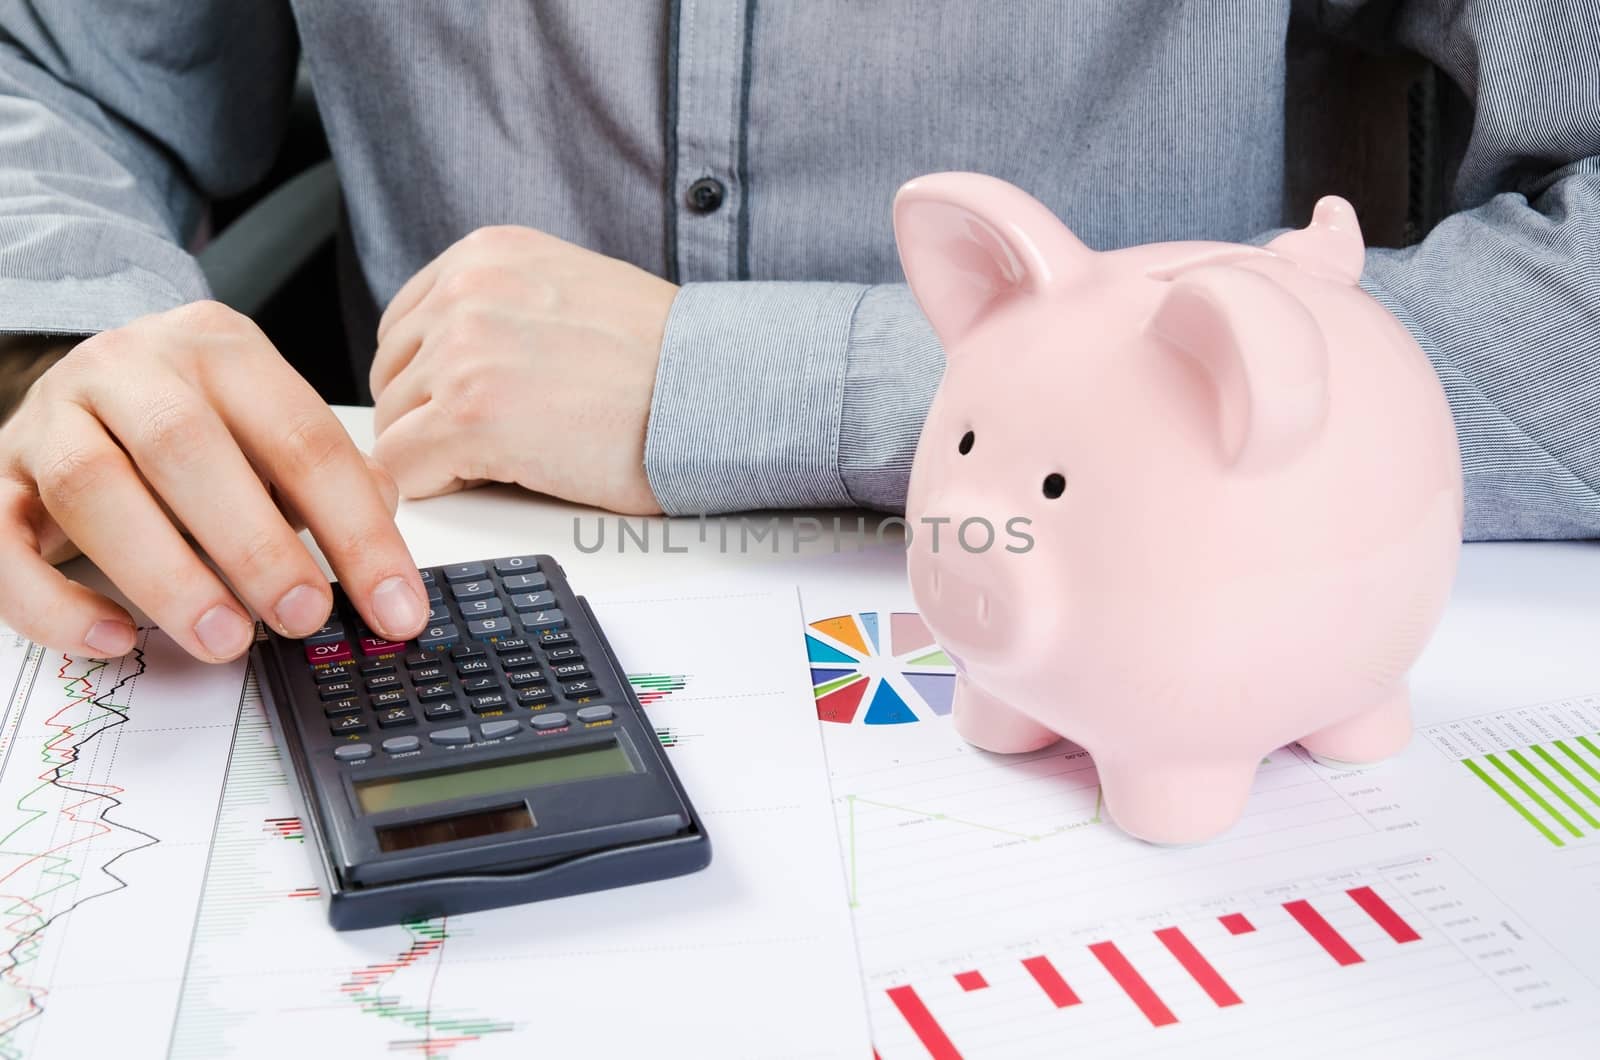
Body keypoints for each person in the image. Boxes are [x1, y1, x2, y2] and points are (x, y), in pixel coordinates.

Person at [0, 2, 1595, 665]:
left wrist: (746, 382)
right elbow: (49, 67)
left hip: (1162, 636)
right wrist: (74, 336)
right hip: (431, 600)